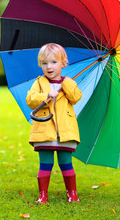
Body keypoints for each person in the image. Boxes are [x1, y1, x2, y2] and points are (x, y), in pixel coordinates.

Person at [26, 43, 82, 203]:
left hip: (65, 131)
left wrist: (66, 84)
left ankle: (72, 193)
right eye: (44, 63)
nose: (49, 67)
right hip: (44, 128)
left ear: (64, 63)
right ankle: (42, 195)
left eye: (53, 62)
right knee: (45, 163)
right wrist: (46, 95)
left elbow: (76, 97)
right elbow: (30, 99)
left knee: (66, 163)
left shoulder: (68, 83)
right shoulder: (39, 83)